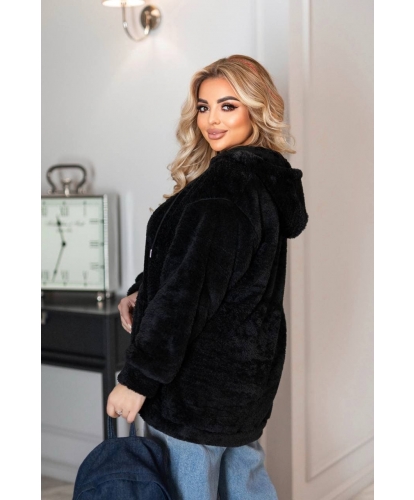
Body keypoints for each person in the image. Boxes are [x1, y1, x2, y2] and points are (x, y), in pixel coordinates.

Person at [107, 54, 308, 500]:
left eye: (228, 106)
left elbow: (187, 296)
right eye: (204, 107)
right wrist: (144, 290)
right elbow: (207, 268)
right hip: (242, 382)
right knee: (245, 489)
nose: (211, 120)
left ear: (256, 109)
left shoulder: (225, 188)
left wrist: (136, 380)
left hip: (193, 387)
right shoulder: (263, 180)